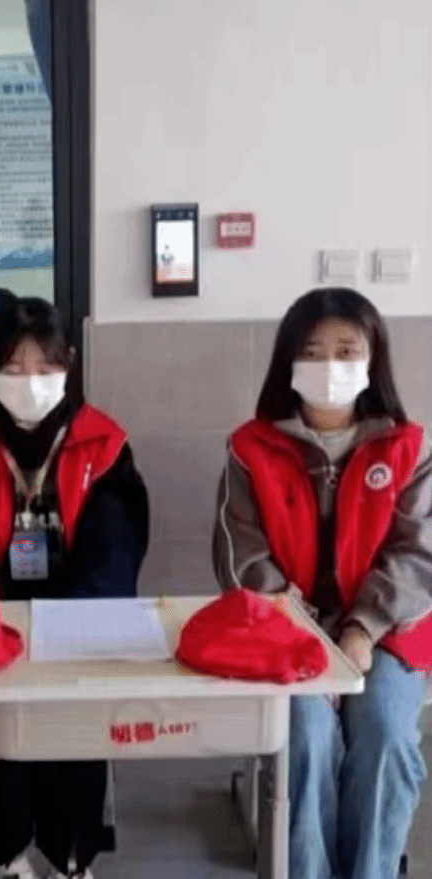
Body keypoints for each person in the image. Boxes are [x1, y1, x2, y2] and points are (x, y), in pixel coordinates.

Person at [0, 296, 149, 879]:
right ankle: (6, 856)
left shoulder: (102, 443)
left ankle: (72, 858)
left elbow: (115, 548)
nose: (30, 382)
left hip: (76, 624)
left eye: (46, 367)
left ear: (69, 365)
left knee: (76, 729)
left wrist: (65, 629)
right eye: (13, 367)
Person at [212, 287, 432, 879]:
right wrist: (301, 632)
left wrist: (362, 629)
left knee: (384, 733)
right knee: (305, 735)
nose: (328, 366)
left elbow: (419, 554)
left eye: (346, 351)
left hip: (387, 630)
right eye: (311, 352)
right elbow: (241, 555)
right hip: (288, 630)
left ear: (372, 359)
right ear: (287, 361)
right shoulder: (250, 448)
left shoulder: (410, 448)